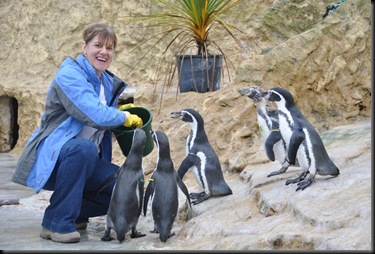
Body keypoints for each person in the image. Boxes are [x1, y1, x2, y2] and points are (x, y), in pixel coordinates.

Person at [12, 23, 143, 243]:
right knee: (83, 148)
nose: (104, 51)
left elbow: (103, 116)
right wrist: (122, 117)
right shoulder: (69, 74)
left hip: (86, 162)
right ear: (84, 47)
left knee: (130, 187)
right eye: (97, 45)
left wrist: (120, 113)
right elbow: (92, 112)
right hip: (55, 159)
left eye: (109, 48)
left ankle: (75, 211)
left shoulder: (107, 82)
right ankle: (57, 222)